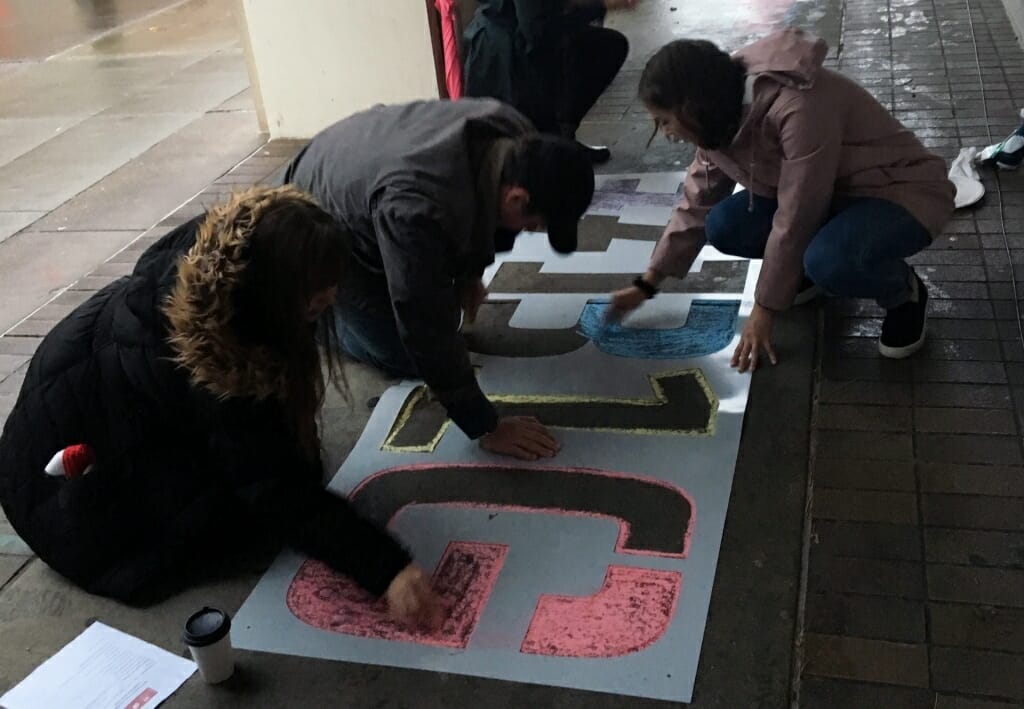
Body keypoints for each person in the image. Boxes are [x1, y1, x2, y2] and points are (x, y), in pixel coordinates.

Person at [0, 186, 442, 626]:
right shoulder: (218, 361)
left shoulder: (234, 264)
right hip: (68, 502)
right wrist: (386, 570)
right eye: (314, 299)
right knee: (246, 529)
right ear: (273, 295)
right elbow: (273, 488)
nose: (329, 301)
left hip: (71, 418)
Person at [609, 29, 955, 369]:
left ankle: (902, 292)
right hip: (830, 195)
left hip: (895, 190)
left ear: (691, 106)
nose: (667, 132)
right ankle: (803, 271)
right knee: (724, 225)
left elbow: (798, 214)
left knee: (829, 260)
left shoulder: (797, 106)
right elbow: (696, 201)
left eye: (665, 121)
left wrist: (764, 309)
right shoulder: (717, 116)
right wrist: (647, 284)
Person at [282, 98, 595, 461]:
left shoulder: (515, 135)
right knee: (407, 356)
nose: (532, 233)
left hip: (366, 166)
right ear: (516, 197)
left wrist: (470, 272)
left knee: (444, 311)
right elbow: (422, 322)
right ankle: (324, 319)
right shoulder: (417, 209)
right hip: (323, 211)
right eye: (534, 225)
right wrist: (485, 425)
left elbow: (483, 209)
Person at [462, 0, 638, 164]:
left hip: (515, 40)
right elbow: (538, 29)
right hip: (507, 57)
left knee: (608, 45)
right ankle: (555, 145)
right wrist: (598, 5)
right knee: (535, 161)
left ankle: (564, 138)